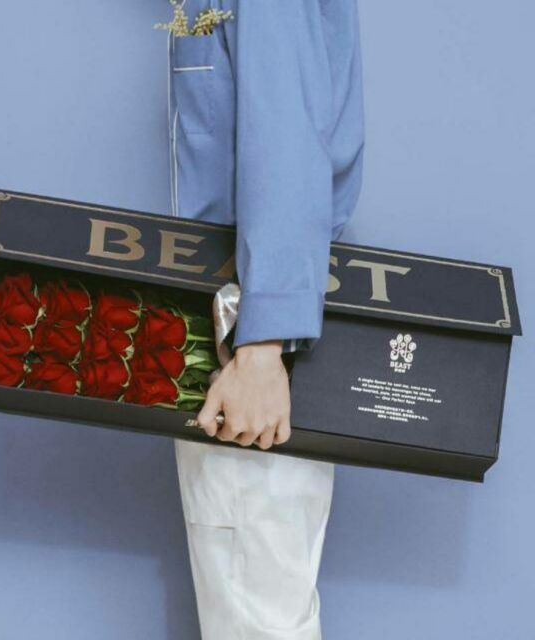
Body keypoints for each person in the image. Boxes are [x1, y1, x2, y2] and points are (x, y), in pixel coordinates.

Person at [162, 1, 365, 638]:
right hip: (241, 328)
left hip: (251, 345)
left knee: (257, 617)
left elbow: (287, 140)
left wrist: (261, 349)